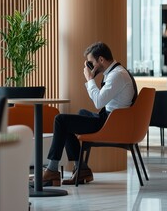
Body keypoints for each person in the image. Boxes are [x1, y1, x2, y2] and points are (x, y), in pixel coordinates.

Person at [43, 41, 137, 186]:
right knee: (78, 116)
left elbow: (99, 102)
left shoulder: (117, 75)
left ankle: (52, 170)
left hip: (111, 124)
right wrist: (91, 80)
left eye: (91, 62)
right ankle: (82, 169)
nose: (89, 66)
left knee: (60, 120)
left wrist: (89, 79)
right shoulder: (115, 72)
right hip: (112, 119)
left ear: (101, 60)